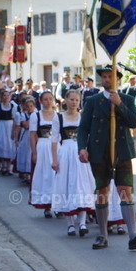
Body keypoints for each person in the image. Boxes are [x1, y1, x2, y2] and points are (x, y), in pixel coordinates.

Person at [76, 65, 136, 251]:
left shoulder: (126, 98)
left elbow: (134, 122)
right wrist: (82, 148)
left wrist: (119, 104)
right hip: (99, 153)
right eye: (104, 76)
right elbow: (83, 127)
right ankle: (102, 235)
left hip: (122, 152)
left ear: (118, 79)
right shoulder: (92, 100)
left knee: (125, 191)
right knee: (102, 192)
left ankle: (133, 235)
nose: (107, 79)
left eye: (110, 76)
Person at [51, 90, 96, 236]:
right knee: (66, 186)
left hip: (80, 154)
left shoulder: (83, 117)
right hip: (65, 154)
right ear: (65, 100)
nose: (74, 102)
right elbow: (54, 140)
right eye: (71, 99)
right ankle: (70, 224)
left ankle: (82, 223)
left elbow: (89, 137)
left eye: (77, 100)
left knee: (82, 186)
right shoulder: (59, 117)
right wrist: (55, 160)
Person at [30, 91, 57, 217]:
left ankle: (57, 203)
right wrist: (34, 152)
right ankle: (47, 205)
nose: (48, 101)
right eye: (45, 99)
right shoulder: (36, 116)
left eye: (50, 99)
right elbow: (33, 135)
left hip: (56, 147)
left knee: (56, 176)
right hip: (42, 146)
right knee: (45, 175)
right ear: (40, 101)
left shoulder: (58, 115)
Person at [0, 88, 20, 175]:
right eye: (4, 95)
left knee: (10, 146)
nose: (6, 97)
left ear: (10, 96)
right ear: (2, 97)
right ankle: (3, 166)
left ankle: (9, 167)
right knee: (2, 145)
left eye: (8, 95)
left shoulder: (13, 106)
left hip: (10, 126)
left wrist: (13, 131)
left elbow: (15, 120)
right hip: (1, 126)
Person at [15, 96, 36, 183]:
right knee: (26, 154)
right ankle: (26, 174)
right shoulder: (23, 115)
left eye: (31, 106)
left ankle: (32, 174)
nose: (30, 108)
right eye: (28, 106)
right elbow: (26, 125)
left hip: (34, 135)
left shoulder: (37, 114)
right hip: (26, 135)